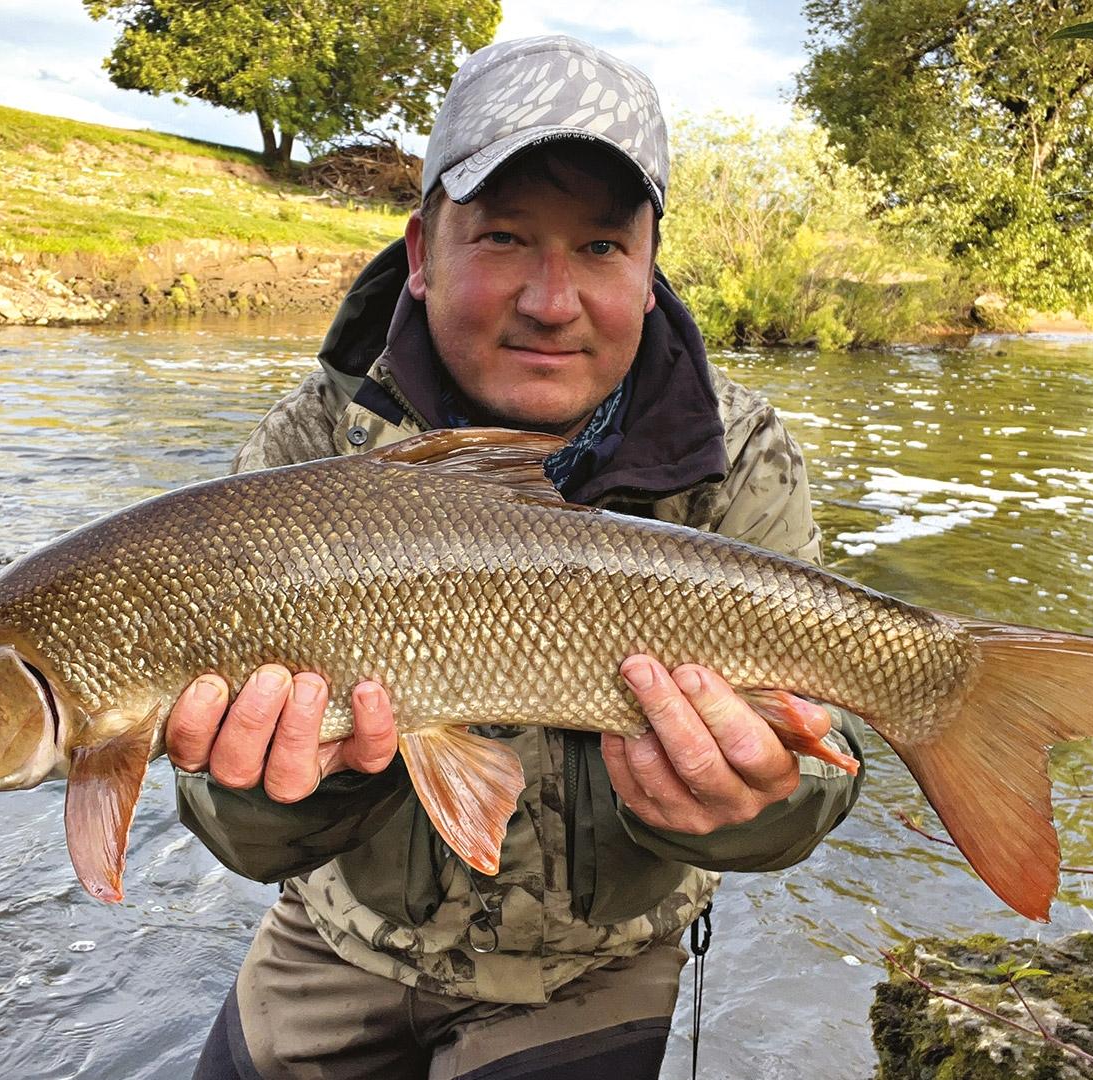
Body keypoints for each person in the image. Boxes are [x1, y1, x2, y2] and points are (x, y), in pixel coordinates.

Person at [174, 35, 868, 1079]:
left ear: (648, 270)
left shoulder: (737, 454)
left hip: (595, 966)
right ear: (422, 253)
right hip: (341, 934)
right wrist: (287, 790)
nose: (552, 300)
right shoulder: (311, 445)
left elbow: (826, 767)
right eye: (504, 237)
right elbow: (235, 829)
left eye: (601, 247)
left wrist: (751, 808)